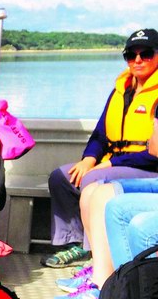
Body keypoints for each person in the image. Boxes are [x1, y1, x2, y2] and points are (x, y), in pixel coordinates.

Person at [42, 28, 158, 268]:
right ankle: (73, 244)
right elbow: (100, 134)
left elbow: (154, 155)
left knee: (93, 179)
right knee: (62, 177)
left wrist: (110, 164)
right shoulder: (121, 90)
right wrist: (88, 159)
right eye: (130, 54)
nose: (137, 60)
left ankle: (95, 253)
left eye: (146, 53)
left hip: (147, 167)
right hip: (113, 162)